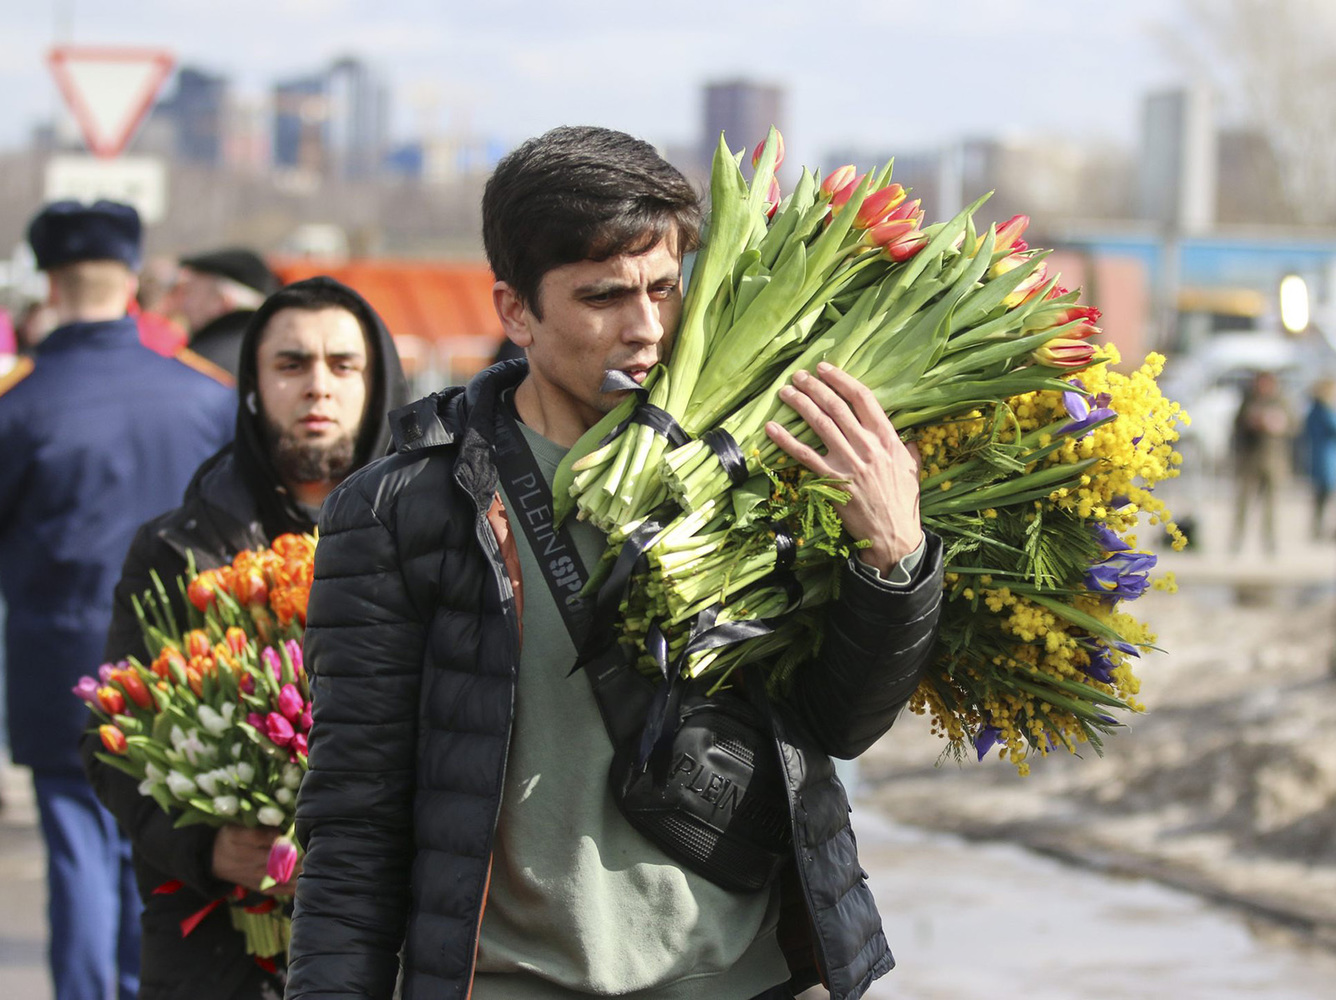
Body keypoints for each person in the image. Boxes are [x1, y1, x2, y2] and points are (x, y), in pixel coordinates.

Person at [286, 126, 944, 1000]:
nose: (645, 328)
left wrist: (893, 563)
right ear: (515, 311)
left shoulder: (760, 463)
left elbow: (837, 723)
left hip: (743, 982)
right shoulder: (404, 510)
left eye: (664, 288)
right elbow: (354, 821)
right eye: (602, 297)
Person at [81, 276, 407, 1000]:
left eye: (342, 364)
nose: (318, 386)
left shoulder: (432, 542)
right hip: (218, 948)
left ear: (377, 383)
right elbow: (109, 743)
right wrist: (206, 847)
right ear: (254, 386)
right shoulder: (177, 549)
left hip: (395, 940)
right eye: (291, 364)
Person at [0, 199, 236, 1000]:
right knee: (160, 848)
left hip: (57, 660)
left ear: (50, 283)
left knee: (77, 852)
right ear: (134, 280)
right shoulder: (203, 394)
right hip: (181, 663)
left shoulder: (19, 402)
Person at [167, 247, 280, 379]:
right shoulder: (274, 353)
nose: (183, 305)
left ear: (223, 302)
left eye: (189, 292)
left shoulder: (204, 362)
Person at [1230, 370, 1296, 554]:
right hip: (1250, 460)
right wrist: (1251, 422)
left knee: (1271, 507)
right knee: (1243, 504)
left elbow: (1294, 425)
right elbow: (1237, 424)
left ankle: (1270, 544)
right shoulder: (1249, 400)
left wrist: (1279, 423)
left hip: (1274, 461)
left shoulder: (1281, 401)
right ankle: (1236, 542)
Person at [1300, 376, 1336, 539]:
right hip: (1328, 458)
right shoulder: (1324, 412)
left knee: (1321, 497)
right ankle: (1321, 529)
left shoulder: (1313, 411)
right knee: (1325, 495)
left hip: (1320, 457)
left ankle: (1318, 529)